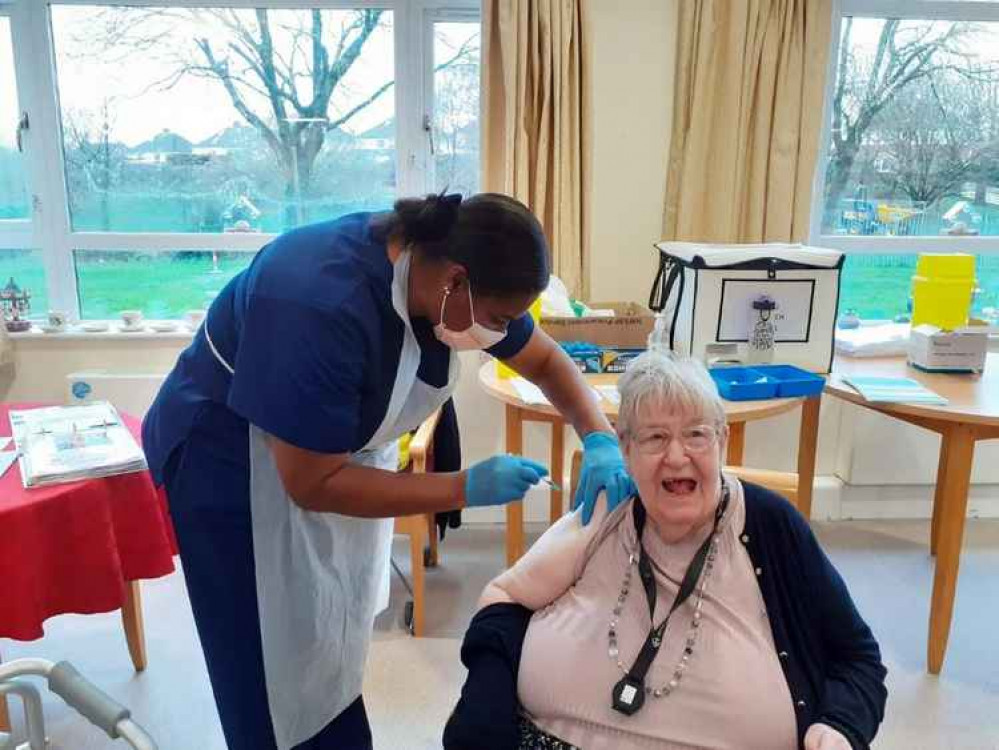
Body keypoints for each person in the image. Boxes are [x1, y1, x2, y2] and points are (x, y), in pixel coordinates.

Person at [141, 193, 634, 750]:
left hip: (328, 456)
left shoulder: (446, 280)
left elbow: (545, 360)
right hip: (229, 465)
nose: (505, 332)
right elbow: (312, 483)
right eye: (500, 319)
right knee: (265, 661)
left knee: (328, 638)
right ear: (455, 281)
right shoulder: (317, 302)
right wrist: (461, 488)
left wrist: (599, 437)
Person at [444, 351, 887, 750]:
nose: (677, 457)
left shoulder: (770, 526)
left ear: (722, 442)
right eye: (655, 438)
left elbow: (857, 658)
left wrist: (841, 725)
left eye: (696, 435)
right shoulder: (607, 510)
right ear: (625, 449)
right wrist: (488, 700)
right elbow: (504, 599)